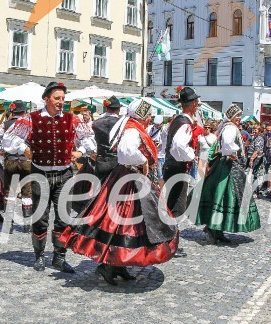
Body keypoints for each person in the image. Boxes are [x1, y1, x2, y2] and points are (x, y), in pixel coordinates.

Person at [59, 99, 178, 284]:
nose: (148, 119)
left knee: (126, 226)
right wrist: (143, 161)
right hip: (129, 180)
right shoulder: (132, 129)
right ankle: (109, 265)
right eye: (147, 116)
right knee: (124, 224)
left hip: (128, 178)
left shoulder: (132, 126)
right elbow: (126, 151)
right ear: (141, 116)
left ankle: (119, 266)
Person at [0, 81, 94, 273]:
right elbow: (9, 140)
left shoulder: (72, 119)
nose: (61, 102)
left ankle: (59, 257)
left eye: (63, 99)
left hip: (64, 174)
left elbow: (89, 140)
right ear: (46, 99)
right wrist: (24, 148)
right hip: (40, 173)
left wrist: (81, 151)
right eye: (57, 98)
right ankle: (39, 256)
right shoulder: (31, 118)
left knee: (63, 218)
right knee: (40, 217)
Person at [194, 104, 261, 244]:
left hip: (226, 164)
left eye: (239, 116)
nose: (239, 118)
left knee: (224, 197)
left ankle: (218, 230)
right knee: (224, 196)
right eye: (237, 116)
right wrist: (233, 154)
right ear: (232, 117)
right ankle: (213, 229)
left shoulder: (227, 126)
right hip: (227, 166)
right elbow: (228, 144)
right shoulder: (230, 127)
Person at [87, 96, 135, 280]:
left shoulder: (97, 123)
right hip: (117, 169)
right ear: (118, 109)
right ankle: (111, 261)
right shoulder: (123, 124)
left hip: (100, 166)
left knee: (103, 210)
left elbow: (91, 145)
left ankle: (116, 262)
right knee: (118, 215)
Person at [162, 87, 204, 258]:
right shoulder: (185, 124)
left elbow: (166, 139)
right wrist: (191, 156)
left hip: (172, 167)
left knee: (172, 205)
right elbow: (178, 146)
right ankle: (170, 244)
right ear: (193, 104)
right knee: (177, 207)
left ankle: (167, 242)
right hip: (178, 168)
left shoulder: (176, 121)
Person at [0, 101, 34, 226]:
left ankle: (8, 225)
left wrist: (0, 150)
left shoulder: (5, 125)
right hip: (26, 161)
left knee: (10, 192)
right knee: (27, 192)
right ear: (24, 112)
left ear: (12, 112)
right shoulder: (29, 124)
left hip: (10, 161)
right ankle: (27, 225)